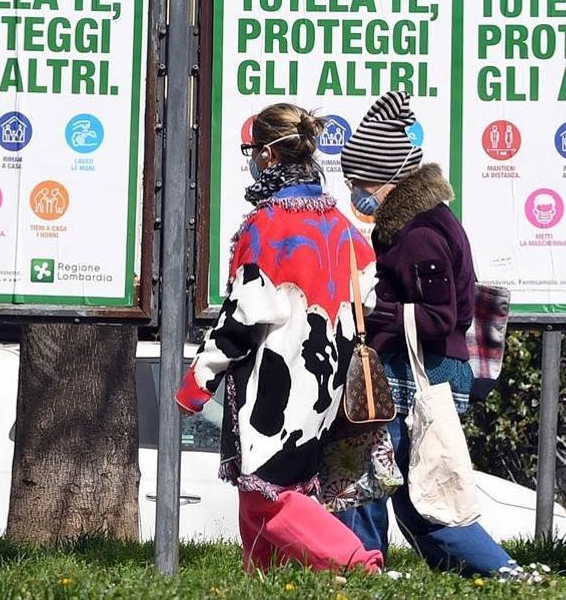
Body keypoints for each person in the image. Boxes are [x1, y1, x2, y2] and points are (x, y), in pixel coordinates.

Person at [174, 103, 382, 574]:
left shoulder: (265, 227)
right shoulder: (345, 227)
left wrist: (199, 380)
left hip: (274, 385)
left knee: (271, 496)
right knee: (259, 493)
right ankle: (262, 580)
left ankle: (357, 563)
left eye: (251, 151)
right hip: (327, 379)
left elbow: (244, 314)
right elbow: (367, 295)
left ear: (268, 155)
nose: (249, 159)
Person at [329, 90, 517, 577]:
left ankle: (361, 568)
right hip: (428, 371)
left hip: (418, 375)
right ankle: (490, 573)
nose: (355, 192)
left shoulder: (418, 234)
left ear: (387, 178)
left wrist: (374, 308)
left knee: (369, 477)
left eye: (358, 181)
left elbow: (442, 314)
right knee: (421, 494)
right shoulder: (427, 222)